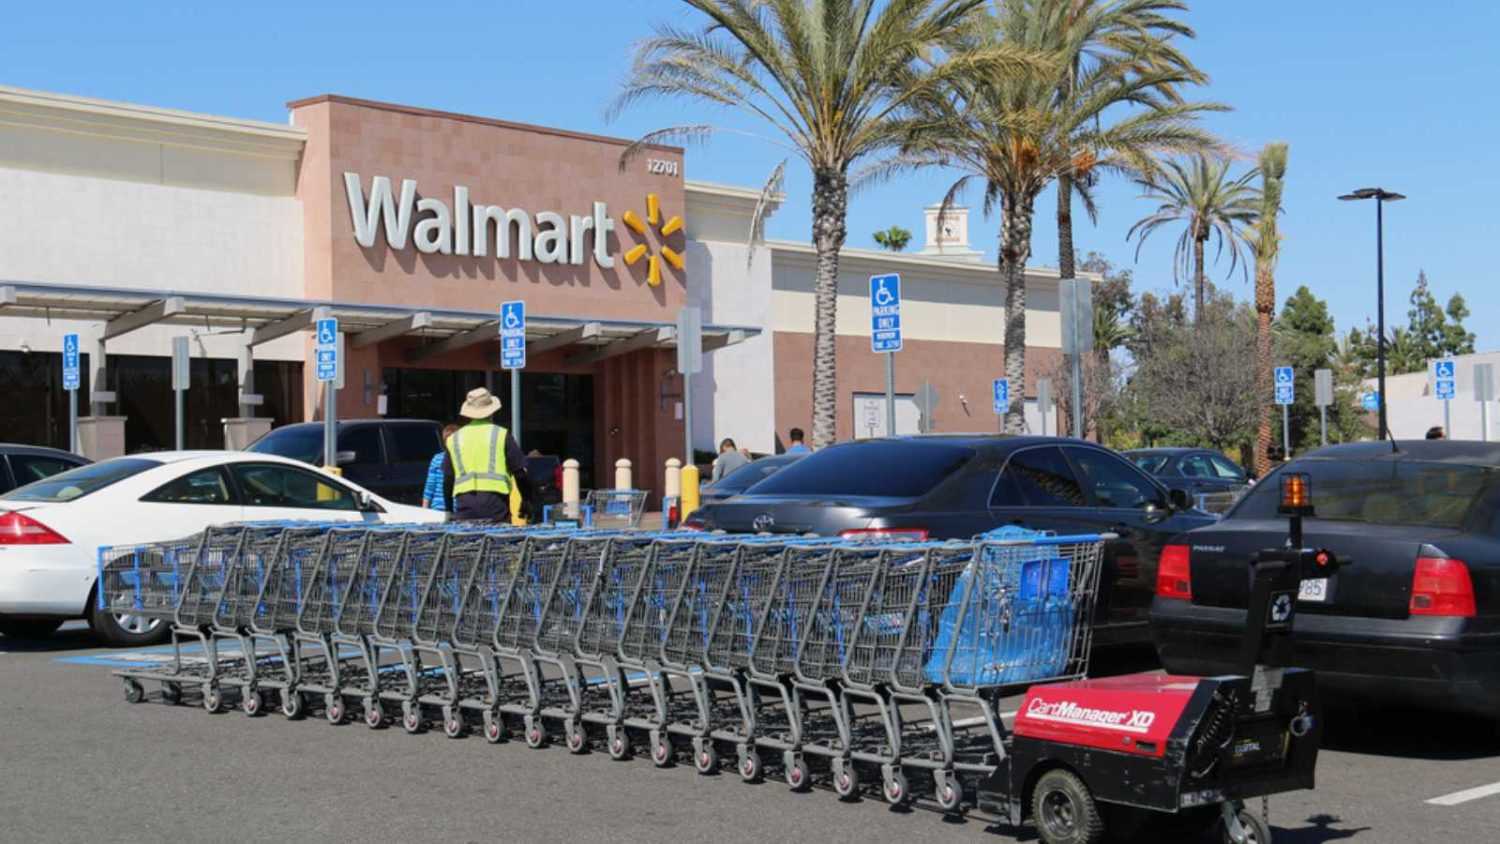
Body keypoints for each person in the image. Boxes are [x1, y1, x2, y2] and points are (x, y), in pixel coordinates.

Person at [442, 387, 533, 522]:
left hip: (464, 505)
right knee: (497, 542)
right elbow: (520, 473)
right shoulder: (501, 434)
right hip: (496, 504)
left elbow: (448, 479)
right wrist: (526, 501)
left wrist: (448, 510)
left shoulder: (454, 439)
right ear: (492, 412)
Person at [421, 423, 460, 510]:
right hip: (456, 507)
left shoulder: (437, 458)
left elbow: (429, 487)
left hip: (437, 508)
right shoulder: (462, 460)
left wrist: (424, 508)